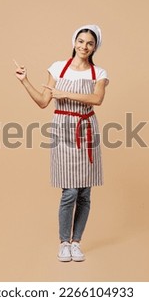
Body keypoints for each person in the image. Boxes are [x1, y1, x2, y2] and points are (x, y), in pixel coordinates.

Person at [14, 25, 110, 262]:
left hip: (86, 130)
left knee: (85, 193)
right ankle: (64, 242)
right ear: (74, 41)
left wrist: (64, 94)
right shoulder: (58, 68)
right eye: (80, 41)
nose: (84, 46)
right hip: (64, 130)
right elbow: (43, 102)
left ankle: (77, 242)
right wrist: (25, 81)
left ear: (95, 46)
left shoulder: (99, 73)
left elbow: (96, 99)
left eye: (89, 43)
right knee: (69, 191)